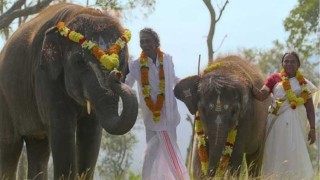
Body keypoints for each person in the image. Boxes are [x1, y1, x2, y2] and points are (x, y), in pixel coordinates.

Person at [125, 28, 190, 180]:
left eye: (148, 41)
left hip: (170, 115)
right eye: (141, 41)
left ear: (156, 42)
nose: (144, 44)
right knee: (153, 154)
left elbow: (174, 78)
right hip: (152, 118)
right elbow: (127, 84)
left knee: (167, 153)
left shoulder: (167, 59)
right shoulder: (135, 65)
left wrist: (189, 84)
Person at [252, 51, 318, 179]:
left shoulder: (304, 83)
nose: (289, 63)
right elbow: (261, 95)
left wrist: (313, 129)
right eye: (286, 61)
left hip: (297, 126)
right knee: (275, 152)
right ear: (282, 63)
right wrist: (249, 86)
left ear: (298, 64)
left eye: (292, 61)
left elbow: (309, 108)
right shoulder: (274, 79)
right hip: (276, 124)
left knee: (295, 152)